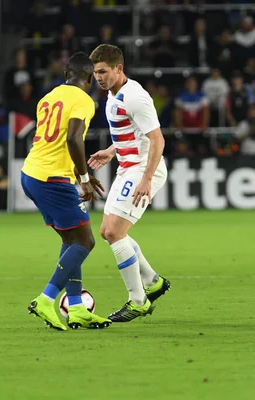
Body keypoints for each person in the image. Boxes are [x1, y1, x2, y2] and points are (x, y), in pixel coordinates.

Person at [21, 52, 111, 331]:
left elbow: (57, 143)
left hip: (33, 173)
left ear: (65, 75)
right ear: (89, 78)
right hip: (51, 179)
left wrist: (79, 173)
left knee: (71, 238)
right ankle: (46, 300)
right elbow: (73, 138)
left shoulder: (47, 97)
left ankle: (76, 308)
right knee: (85, 242)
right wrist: (83, 178)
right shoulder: (84, 100)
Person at [89, 44, 171, 322]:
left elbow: (157, 139)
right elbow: (132, 132)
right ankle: (152, 282)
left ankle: (138, 302)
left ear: (118, 69)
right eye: (95, 72)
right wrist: (111, 151)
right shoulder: (112, 96)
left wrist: (147, 179)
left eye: (103, 71)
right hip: (127, 167)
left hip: (144, 169)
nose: (98, 77)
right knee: (107, 231)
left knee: (114, 232)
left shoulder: (135, 96)